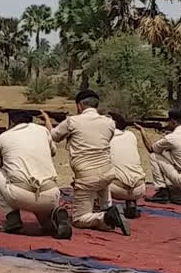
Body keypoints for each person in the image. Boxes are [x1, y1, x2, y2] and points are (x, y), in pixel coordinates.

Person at [43, 90, 130, 236]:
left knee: (78, 219)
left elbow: (53, 137)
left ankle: (107, 216)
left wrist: (47, 120)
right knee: (101, 187)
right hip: (108, 172)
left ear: (80, 105)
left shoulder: (72, 122)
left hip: (87, 176)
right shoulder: (109, 123)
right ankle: (107, 211)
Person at [0, 111, 72, 239]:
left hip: (21, 196)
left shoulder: (2, 138)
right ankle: (54, 216)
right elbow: (53, 152)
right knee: (46, 224)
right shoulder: (43, 131)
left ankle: (12, 219)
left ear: (12, 122)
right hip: (52, 194)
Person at [106, 113, 145, 219]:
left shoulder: (105, 138)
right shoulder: (131, 135)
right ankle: (131, 203)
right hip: (139, 189)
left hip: (116, 189)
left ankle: (106, 209)